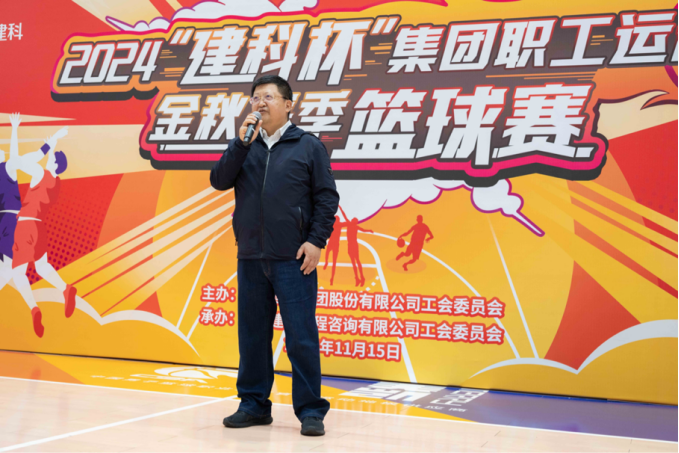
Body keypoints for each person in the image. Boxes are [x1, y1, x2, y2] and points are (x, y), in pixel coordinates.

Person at [210, 75, 339, 437]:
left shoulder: (308, 145)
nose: (260, 103)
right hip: (251, 255)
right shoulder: (245, 145)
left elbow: (326, 197)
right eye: (255, 98)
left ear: (288, 105)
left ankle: (310, 410)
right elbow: (219, 180)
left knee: (300, 336)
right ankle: (253, 405)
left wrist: (315, 241)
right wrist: (240, 144)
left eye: (268, 96)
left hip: (293, 257)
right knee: (252, 336)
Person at [9, 121, 77, 338]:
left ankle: (34, 308)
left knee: (18, 273)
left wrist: (48, 145)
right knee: (42, 266)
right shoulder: (56, 184)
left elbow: (20, 161)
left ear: (53, 163)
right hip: (40, 228)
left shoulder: (39, 173)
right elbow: (49, 166)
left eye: (52, 157)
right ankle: (66, 289)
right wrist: (53, 143)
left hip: (26, 226)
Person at [339, 206, 373, 287]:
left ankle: (362, 278)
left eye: (354, 220)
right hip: (350, 245)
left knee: (357, 261)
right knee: (354, 262)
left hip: (353, 245)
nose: (352, 220)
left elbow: (344, 215)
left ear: (354, 222)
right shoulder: (351, 225)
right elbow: (344, 215)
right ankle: (357, 278)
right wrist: (340, 208)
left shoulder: (353, 225)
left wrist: (369, 230)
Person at [323, 209, 348, 286]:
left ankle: (332, 278)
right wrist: (341, 210)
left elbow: (346, 221)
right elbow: (346, 220)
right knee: (328, 255)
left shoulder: (337, 225)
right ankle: (326, 263)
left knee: (333, 261)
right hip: (333, 243)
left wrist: (341, 210)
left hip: (334, 244)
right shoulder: (336, 225)